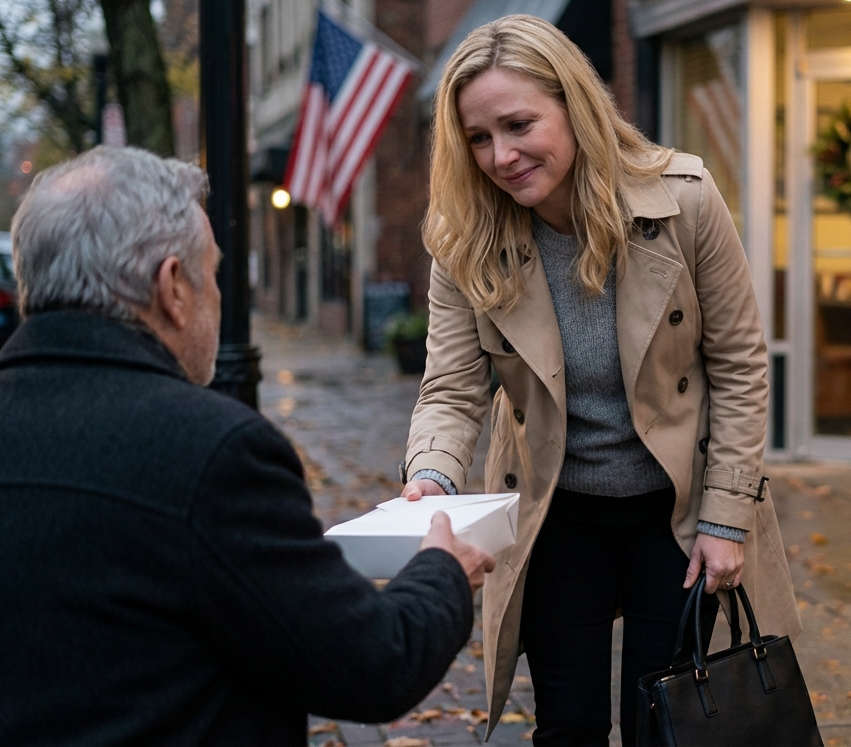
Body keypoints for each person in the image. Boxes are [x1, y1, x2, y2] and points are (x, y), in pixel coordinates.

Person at [0, 146, 496, 745]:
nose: (216, 293)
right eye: (212, 272)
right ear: (172, 288)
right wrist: (442, 574)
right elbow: (371, 664)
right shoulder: (211, 453)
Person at [400, 14, 800, 746]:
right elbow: (452, 390)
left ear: (575, 105)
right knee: (568, 726)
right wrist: (433, 478)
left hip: (674, 511)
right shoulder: (465, 241)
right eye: (480, 138)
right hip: (558, 512)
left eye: (520, 124)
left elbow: (740, 362)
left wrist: (724, 520)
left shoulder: (684, 200)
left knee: (668, 720)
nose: (502, 156)